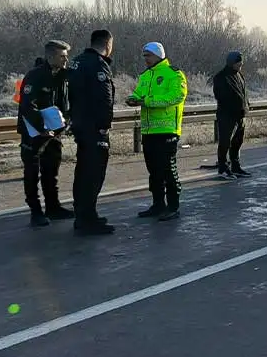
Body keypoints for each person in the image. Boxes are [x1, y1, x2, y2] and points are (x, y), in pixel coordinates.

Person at [127, 42, 188, 221]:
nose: (145, 59)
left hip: (167, 130)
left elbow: (176, 96)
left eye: (148, 55)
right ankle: (158, 204)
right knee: (154, 171)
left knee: (168, 169)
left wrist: (148, 101)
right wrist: (133, 99)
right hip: (148, 131)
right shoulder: (146, 76)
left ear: (158, 55)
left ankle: (173, 206)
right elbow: (139, 94)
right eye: (144, 56)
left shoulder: (174, 74)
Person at [18, 40, 73, 227]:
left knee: (51, 170)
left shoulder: (63, 76)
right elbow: (27, 105)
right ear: (50, 57)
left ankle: (53, 207)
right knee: (32, 172)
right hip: (34, 132)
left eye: (67, 56)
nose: (66, 60)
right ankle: (35, 211)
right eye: (62, 56)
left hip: (55, 131)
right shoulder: (35, 76)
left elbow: (66, 101)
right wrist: (42, 127)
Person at [68, 29, 116, 236]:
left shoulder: (77, 62)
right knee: (93, 173)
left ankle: (83, 215)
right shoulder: (98, 65)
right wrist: (104, 124)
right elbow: (104, 98)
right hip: (94, 127)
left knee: (82, 171)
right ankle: (88, 218)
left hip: (79, 124)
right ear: (108, 44)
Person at [212, 50, 251, 180]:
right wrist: (234, 107)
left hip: (240, 115)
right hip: (227, 115)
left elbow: (243, 92)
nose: (240, 66)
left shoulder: (239, 75)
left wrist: (246, 105)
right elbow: (221, 96)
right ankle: (223, 168)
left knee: (237, 142)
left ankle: (236, 166)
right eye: (238, 63)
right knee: (225, 142)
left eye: (241, 63)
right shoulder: (221, 77)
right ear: (231, 62)